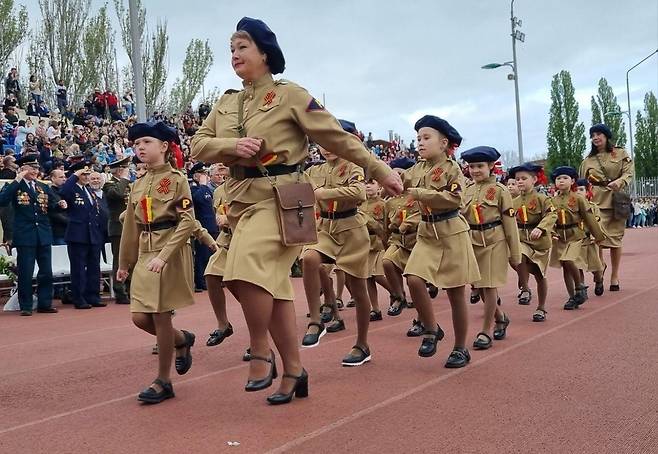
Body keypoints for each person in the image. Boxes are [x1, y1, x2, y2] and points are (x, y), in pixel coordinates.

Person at [191, 17, 402, 405]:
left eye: (243, 47)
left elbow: (335, 135)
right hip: (241, 199)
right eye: (232, 49)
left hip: (283, 197)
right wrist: (230, 147)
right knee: (248, 281)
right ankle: (294, 368)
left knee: (243, 270)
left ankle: (260, 349)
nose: (235, 55)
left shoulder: (289, 95)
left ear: (265, 54)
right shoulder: (226, 102)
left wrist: (379, 168)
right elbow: (198, 145)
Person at [117, 121, 197, 404]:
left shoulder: (177, 180)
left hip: (170, 251)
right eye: (137, 144)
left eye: (146, 142)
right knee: (140, 317)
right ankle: (181, 339)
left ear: (164, 146)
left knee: (161, 316)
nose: (140, 147)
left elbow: (187, 222)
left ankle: (163, 380)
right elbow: (131, 227)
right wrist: (125, 262)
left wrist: (164, 257)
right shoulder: (137, 184)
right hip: (145, 253)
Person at [402, 116, 480, 368]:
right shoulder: (415, 169)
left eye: (426, 138)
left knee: (456, 294)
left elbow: (455, 199)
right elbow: (397, 183)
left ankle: (460, 348)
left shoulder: (452, 168)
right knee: (413, 277)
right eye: (418, 139)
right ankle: (432, 328)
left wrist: (420, 193)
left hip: (451, 233)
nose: (420, 143)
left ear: (443, 142)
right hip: (427, 233)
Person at [301, 120, 374, 366]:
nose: (327, 147)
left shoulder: (353, 165)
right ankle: (315, 319)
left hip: (352, 228)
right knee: (309, 258)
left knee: (358, 289)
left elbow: (359, 193)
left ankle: (362, 344)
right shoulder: (313, 171)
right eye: (323, 142)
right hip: (326, 228)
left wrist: (323, 194)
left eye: (333, 141)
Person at [461, 146, 521, 349]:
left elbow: (510, 224)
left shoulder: (501, 191)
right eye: (471, 166)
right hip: (473, 241)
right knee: (479, 287)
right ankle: (501, 317)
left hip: (495, 241)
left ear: (490, 167)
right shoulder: (467, 190)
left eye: (480, 166)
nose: (475, 170)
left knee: (489, 285)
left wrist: (515, 253)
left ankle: (485, 331)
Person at [0, 154, 66, 315]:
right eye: (31, 168)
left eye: (37, 168)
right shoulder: (14, 186)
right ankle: (26, 305)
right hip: (25, 235)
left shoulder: (42, 187)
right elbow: (2, 200)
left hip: (43, 234)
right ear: (23, 169)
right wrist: (17, 180)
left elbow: (52, 203)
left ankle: (45, 303)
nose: (35, 171)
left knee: (46, 272)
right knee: (26, 272)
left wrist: (59, 203)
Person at [579, 124, 633, 293]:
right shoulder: (587, 160)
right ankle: (600, 268)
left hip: (616, 201)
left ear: (607, 136)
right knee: (597, 240)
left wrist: (620, 182)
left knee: (616, 240)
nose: (596, 138)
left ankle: (614, 276)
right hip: (595, 203)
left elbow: (629, 173)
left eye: (599, 134)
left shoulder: (620, 153)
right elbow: (581, 182)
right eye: (593, 135)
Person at [549, 167, 606, 310]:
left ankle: (580, 286)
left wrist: (597, 235)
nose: (561, 181)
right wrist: (551, 232)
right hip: (561, 237)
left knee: (570, 260)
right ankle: (573, 296)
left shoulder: (578, 199)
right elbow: (549, 218)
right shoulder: (552, 201)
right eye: (558, 179)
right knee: (565, 267)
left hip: (576, 235)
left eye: (565, 178)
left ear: (572, 181)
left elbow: (589, 217)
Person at [510, 163, 557, 322]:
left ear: (535, 179)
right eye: (517, 179)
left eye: (524, 178)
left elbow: (551, 215)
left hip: (539, 243)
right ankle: (525, 288)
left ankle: (541, 307)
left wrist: (541, 228)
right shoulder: (513, 201)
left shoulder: (542, 199)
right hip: (521, 238)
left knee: (539, 275)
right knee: (517, 256)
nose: (520, 182)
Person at [59, 161, 106, 309]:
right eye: (83, 174)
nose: (86, 176)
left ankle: (93, 296)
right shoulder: (72, 189)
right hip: (78, 235)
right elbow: (63, 191)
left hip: (93, 234)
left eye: (87, 173)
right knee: (78, 268)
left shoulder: (89, 190)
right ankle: (79, 298)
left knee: (94, 267)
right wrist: (74, 175)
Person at [361, 175, 391, 322]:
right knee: (368, 278)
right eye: (365, 183)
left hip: (379, 243)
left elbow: (386, 226)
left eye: (371, 183)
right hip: (364, 244)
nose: (367, 186)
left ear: (379, 187)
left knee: (378, 275)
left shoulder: (383, 204)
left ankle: (396, 294)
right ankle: (375, 309)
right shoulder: (358, 204)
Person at [104, 157, 132, 304]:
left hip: (130, 227)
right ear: (120, 170)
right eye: (126, 169)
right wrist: (125, 178)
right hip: (118, 227)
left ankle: (130, 289)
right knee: (119, 259)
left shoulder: (126, 184)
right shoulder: (110, 185)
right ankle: (120, 291)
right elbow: (118, 194)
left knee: (132, 259)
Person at [189, 162, 219, 292]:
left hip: (211, 225)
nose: (205, 176)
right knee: (202, 256)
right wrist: (202, 185)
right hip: (201, 227)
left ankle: (209, 279)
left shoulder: (205, 188)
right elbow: (199, 199)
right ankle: (200, 281)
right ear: (195, 176)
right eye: (202, 174)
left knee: (211, 256)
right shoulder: (194, 189)